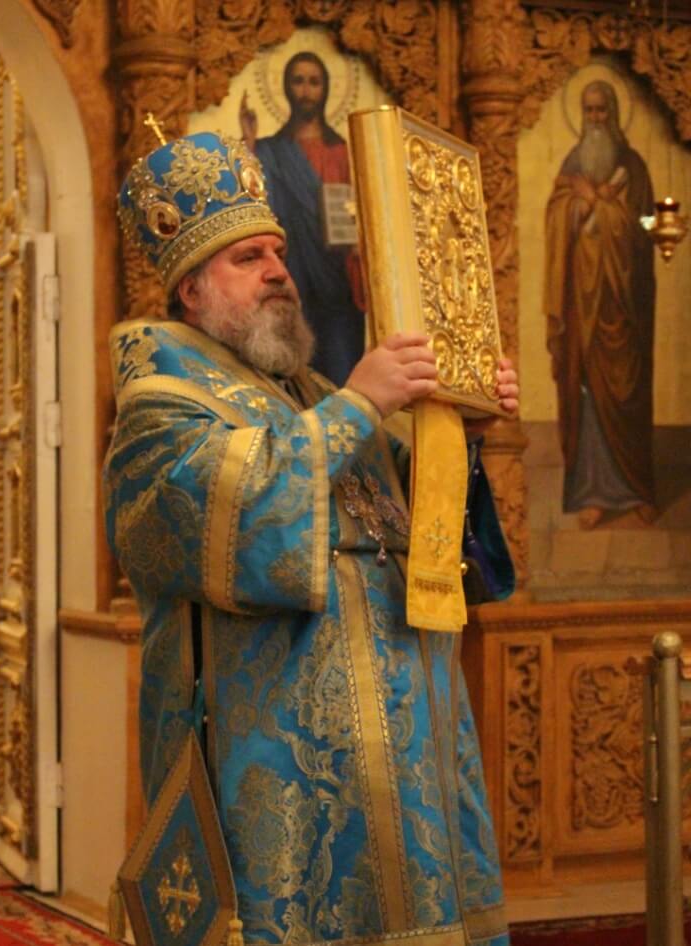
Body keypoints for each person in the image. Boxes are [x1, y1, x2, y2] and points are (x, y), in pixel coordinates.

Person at [108, 131, 518, 946]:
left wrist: (460, 434)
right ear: (192, 290)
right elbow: (236, 524)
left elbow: (416, 528)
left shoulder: (310, 391)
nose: (278, 271)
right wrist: (358, 408)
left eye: (278, 252)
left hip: (403, 757)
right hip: (275, 768)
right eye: (248, 258)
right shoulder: (162, 404)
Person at [544, 79, 656, 530]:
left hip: (622, 305)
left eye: (601, 110)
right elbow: (556, 219)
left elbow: (647, 229)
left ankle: (637, 488)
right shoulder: (573, 165)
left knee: (628, 391)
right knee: (585, 389)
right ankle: (592, 493)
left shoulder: (634, 168)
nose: (594, 119)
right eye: (588, 110)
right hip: (579, 305)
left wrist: (609, 211)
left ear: (613, 113)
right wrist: (579, 205)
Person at [240, 51, 365, 387]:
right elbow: (255, 202)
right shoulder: (270, 151)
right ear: (286, 87)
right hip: (290, 272)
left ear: (326, 89)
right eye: (298, 81)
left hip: (337, 279)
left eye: (314, 82)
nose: (306, 91)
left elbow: (363, 213)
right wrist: (249, 143)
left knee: (340, 369)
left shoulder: (344, 152)